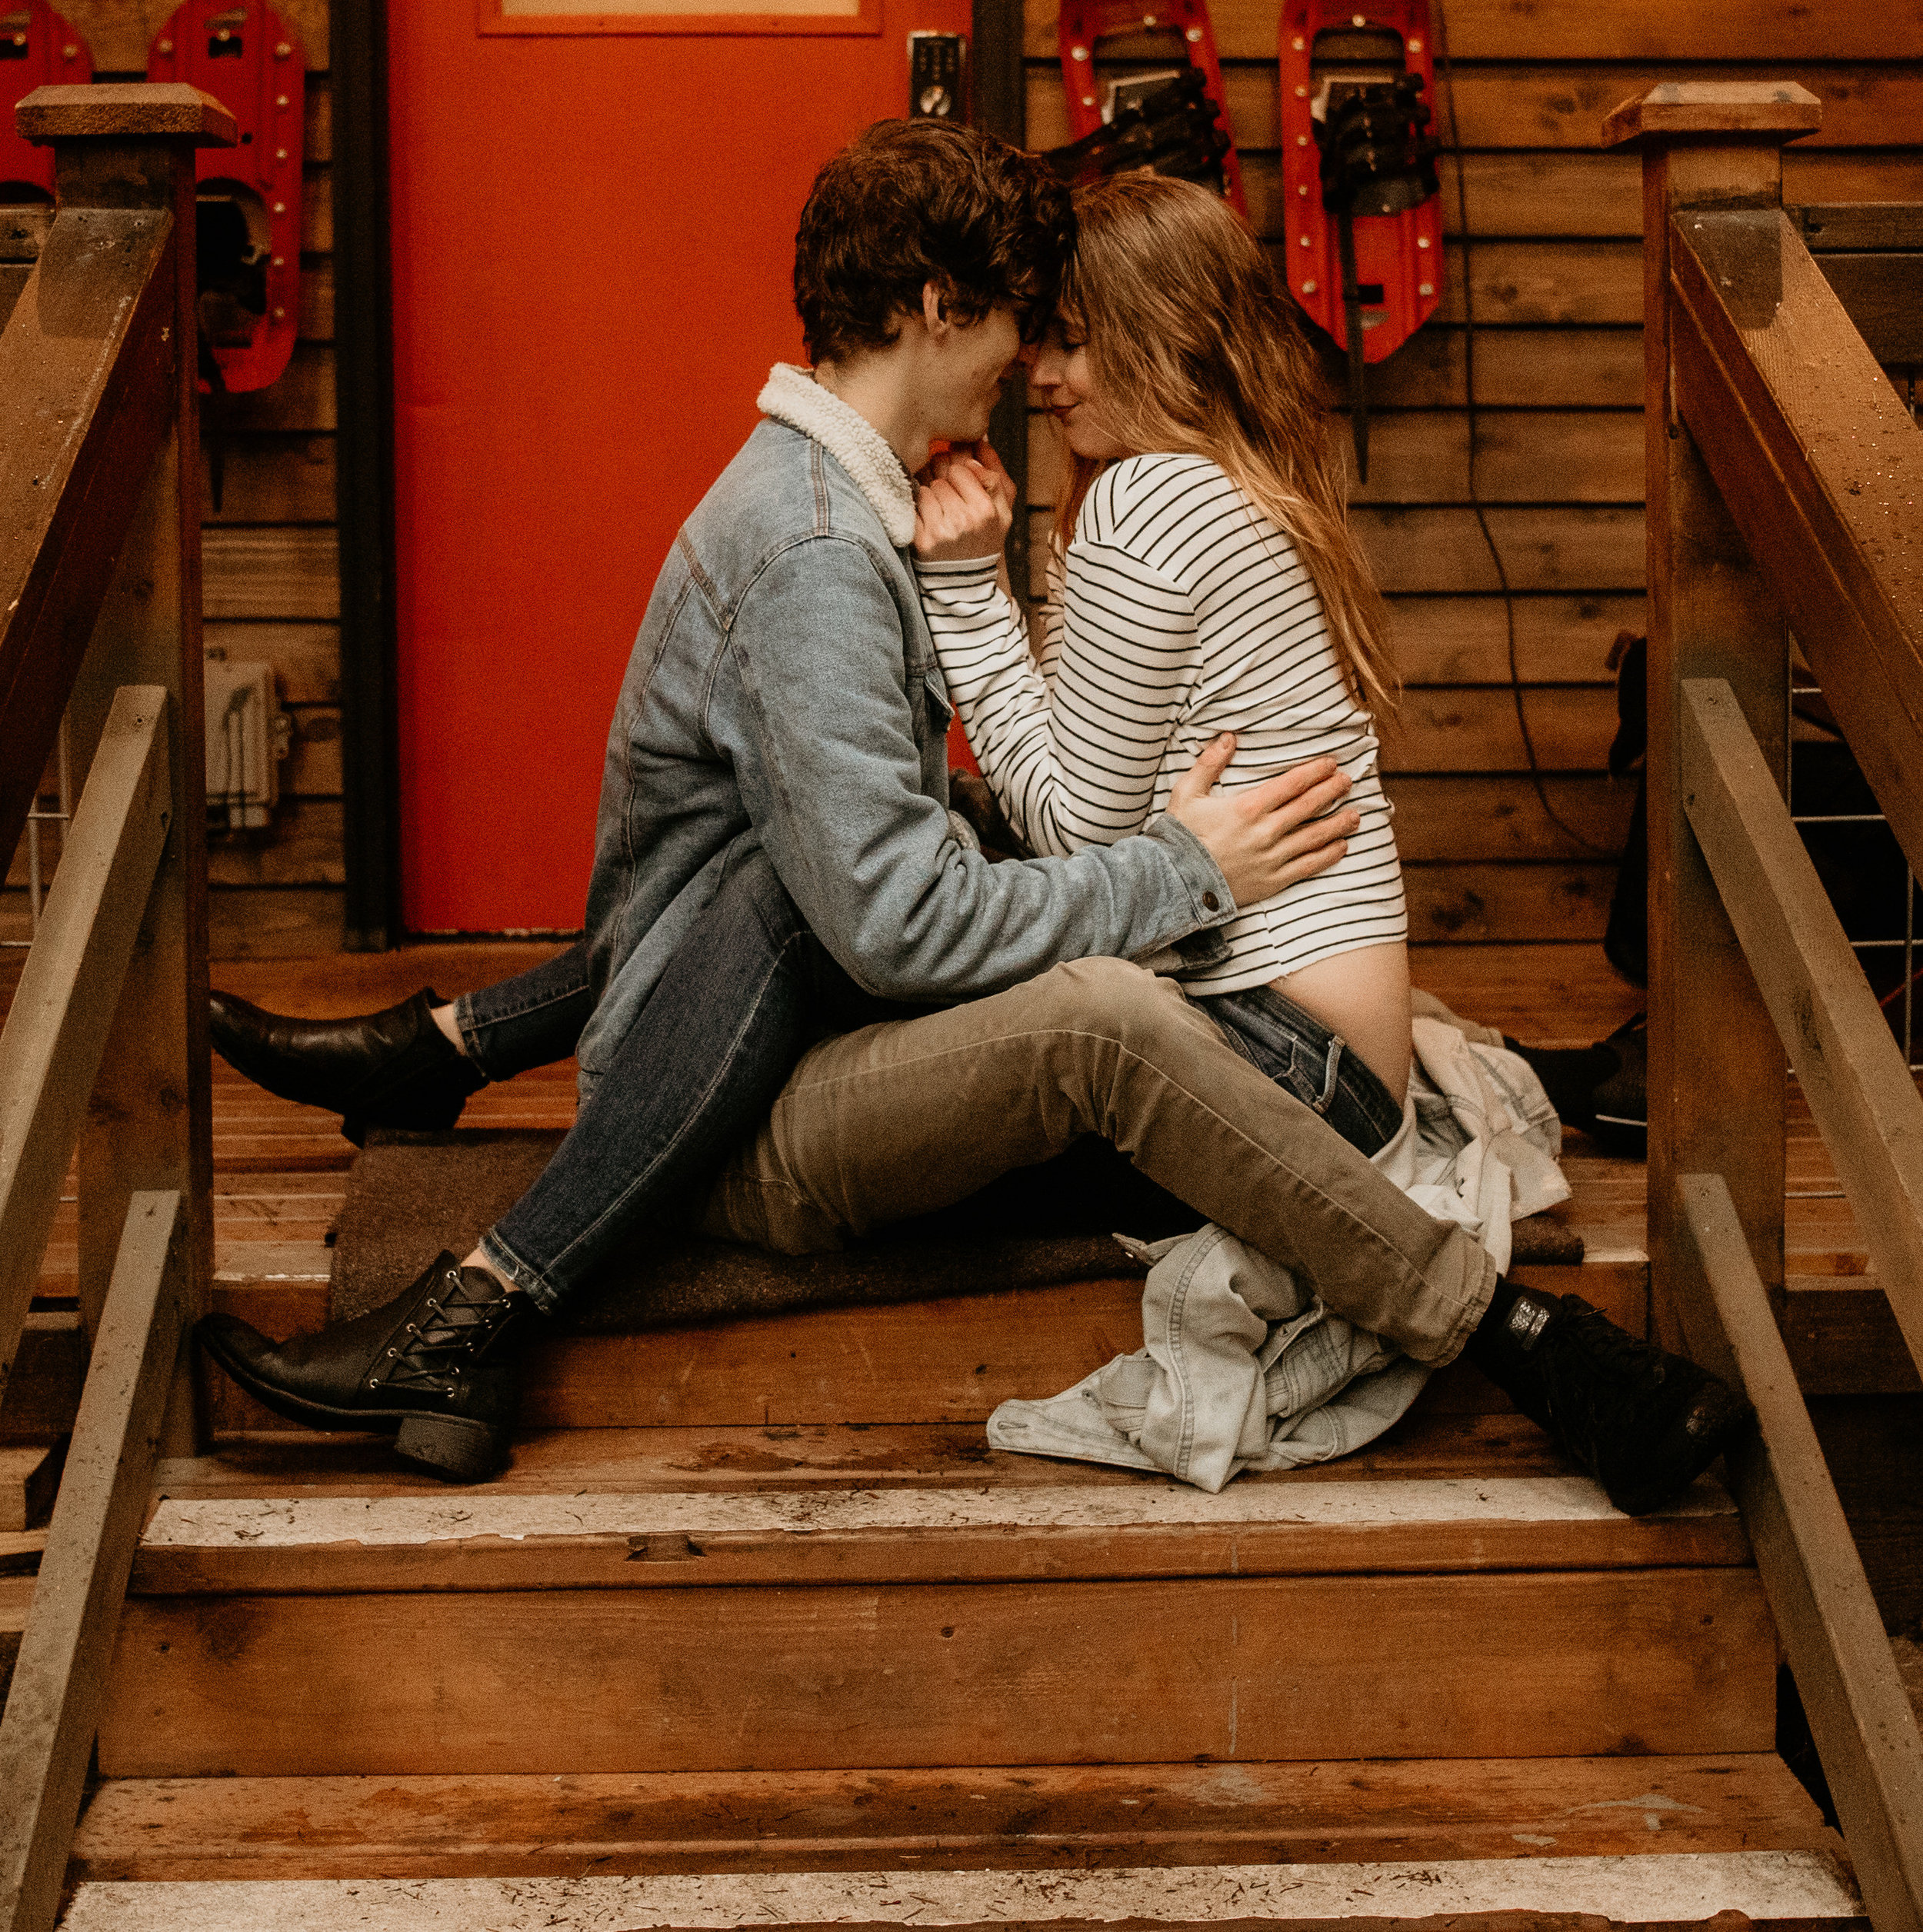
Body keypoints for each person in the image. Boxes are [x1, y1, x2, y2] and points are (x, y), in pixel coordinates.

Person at [201, 123, 1747, 1515]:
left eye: (1067, 339)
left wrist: (1048, 732)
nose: (1030, 368)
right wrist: (1176, 866)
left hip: (779, 1044)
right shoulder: (824, 546)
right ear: (944, 309)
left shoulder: (869, 509)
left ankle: (457, 1097)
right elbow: (915, 908)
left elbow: (941, 864)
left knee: (939, 870)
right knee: (1056, 981)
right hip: (718, 1101)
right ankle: (1526, 1340)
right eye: (1024, 328)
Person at [912, 170, 1412, 1129]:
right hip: (1340, 1062)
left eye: (1073, 340)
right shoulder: (1226, 481)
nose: (1041, 376)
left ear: (1164, 329)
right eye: (1038, 344)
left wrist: (970, 593)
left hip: (1284, 1058)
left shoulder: (1146, 504)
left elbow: (1075, 836)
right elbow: (1105, 794)